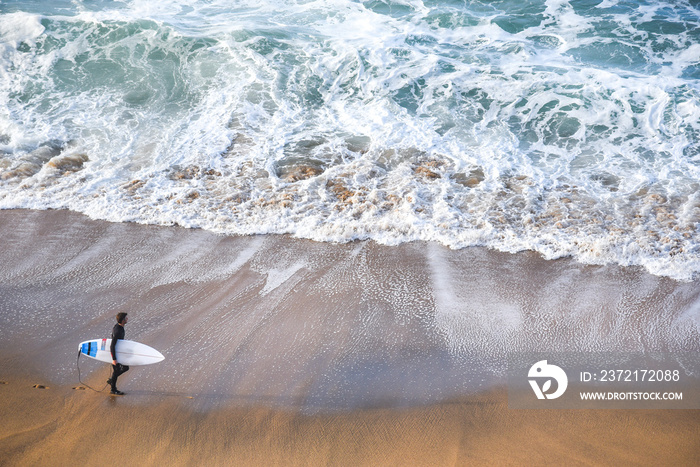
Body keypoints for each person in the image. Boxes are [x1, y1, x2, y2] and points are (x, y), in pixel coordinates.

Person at [107, 312, 129, 395]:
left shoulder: (119, 326)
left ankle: (112, 381)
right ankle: (113, 389)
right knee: (116, 371)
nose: (127, 319)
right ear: (123, 320)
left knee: (125, 368)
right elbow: (112, 345)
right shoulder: (118, 330)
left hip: (119, 351)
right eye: (126, 318)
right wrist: (114, 359)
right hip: (116, 353)